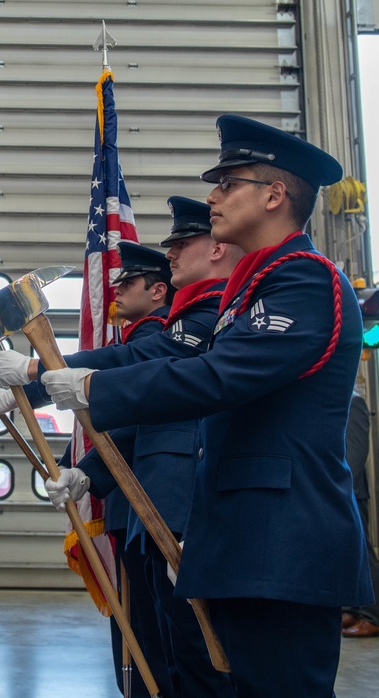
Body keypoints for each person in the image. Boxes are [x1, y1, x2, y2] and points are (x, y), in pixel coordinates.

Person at [35, 114, 374, 697]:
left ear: (274, 194)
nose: (212, 196)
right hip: (245, 541)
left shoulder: (304, 281)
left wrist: (91, 387)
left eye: (227, 183)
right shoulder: (256, 285)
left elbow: (218, 378)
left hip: (282, 545)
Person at [0, 198, 243, 697]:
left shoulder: (207, 313)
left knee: (191, 646)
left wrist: (37, 378)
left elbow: (143, 361)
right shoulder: (188, 315)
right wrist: (87, 474)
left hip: (179, 499)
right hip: (151, 496)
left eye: (180, 244)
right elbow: (141, 411)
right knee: (161, 639)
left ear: (216, 250)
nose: (171, 254)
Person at [342, 391, 379, 637]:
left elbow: (355, 452)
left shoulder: (353, 400)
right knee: (349, 554)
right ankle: (355, 609)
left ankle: (374, 615)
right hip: (341, 490)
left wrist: (342, 488)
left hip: (351, 490)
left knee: (363, 553)